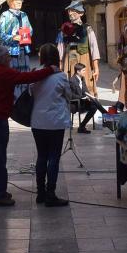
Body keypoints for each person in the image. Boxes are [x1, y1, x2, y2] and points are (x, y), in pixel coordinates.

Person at [0, 45, 55, 207]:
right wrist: (50, 70)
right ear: (2, 58)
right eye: (8, 58)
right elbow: (25, 79)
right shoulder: (3, 72)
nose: (10, 60)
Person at [29, 43, 74, 207]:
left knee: (41, 156)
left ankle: (40, 193)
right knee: (54, 157)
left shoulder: (35, 75)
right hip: (55, 122)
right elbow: (69, 95)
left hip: (38, 121)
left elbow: (30, 93)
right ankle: (51, 193)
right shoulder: (61, 76)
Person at [57, 0, 100, 95]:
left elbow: (94, 48)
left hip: (84, 59)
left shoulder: (87, 28)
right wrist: (60, 64)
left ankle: (88, 101)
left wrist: (96, 68)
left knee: (86, 83)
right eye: (69, 10)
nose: (71, 13)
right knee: (70, 84)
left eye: (74, 10)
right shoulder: (64, 29)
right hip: (70, 60)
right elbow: (60, 48)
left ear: (81, 13)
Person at [0, 0, 32, 73]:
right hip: (11, 51)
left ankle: (25, 86)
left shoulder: (24, 15)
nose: (19, 2)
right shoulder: (5, 15)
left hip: (24, 49)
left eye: (20, 0)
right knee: (13, 73)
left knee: (25, 73)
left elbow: (30, 30)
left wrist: (26, 34)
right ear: (10, 1)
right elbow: (1, 34)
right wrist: (13, 38)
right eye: (17, 0)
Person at [70, 63, 106, 133]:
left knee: (94, 105)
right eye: (83, 70)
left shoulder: (82, 78)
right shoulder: (72, 81)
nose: (85, 72)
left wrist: (90, 96)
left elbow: (85, 91)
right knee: (94, 103)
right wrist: (83, 97)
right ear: (78, 71)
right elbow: (71, 95)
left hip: (82, 102)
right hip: (75, 104)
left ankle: (81, 127)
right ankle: (106, 114)